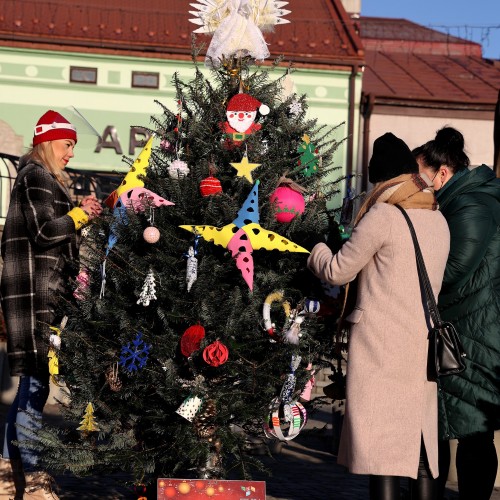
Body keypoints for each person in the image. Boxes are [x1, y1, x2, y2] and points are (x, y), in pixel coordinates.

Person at [308, 132, 450, 500]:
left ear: (381, 179)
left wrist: (316, 248)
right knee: (419, 446)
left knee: (382, 451)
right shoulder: (438, 218)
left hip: (382, 346)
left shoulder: (384, 215)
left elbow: (339, 270)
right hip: (422, 346)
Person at [0, 110, 102, 499]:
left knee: (32, 384)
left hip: (34, 294)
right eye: (67, 144)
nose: (71, 153)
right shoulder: (37, 177)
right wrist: (77, 214)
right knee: (34, 388)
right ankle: (36, 484)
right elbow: (45, 232)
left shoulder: (36, 178)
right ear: (47, 142)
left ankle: (10, 482)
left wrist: (79, 214)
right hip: (36, 297)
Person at [415, 126, 500, 500]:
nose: (418, 186)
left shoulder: (471, 205)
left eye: (421, 177)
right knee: (459, 428)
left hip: (477, 332)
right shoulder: (460, 201)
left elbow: (452, 269)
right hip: (466, 327)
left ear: (442, 173)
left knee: (474, 432)